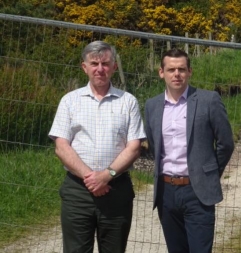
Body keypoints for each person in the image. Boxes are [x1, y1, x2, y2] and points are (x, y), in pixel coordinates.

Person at [48, 40, 146, 253]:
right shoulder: (69, 101)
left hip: (117, 190)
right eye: (94, 63)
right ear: (85, 67)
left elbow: (134, 147)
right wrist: (91, 178)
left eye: (105, 63)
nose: (100, 69)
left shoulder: (128, 102)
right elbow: (61, 146)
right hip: (77, 192)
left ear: (114, 67)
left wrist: (107, 175)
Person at [145, 48, 235, 253]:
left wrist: (207, 174)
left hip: (197, 192)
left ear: (189, 72)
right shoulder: (152, 105)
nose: (176, 74)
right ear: (161, 72)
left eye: (181, 69)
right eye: (171, 70)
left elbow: (226, 143)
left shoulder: (208, 100)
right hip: (166, 192)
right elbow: (153, 144)